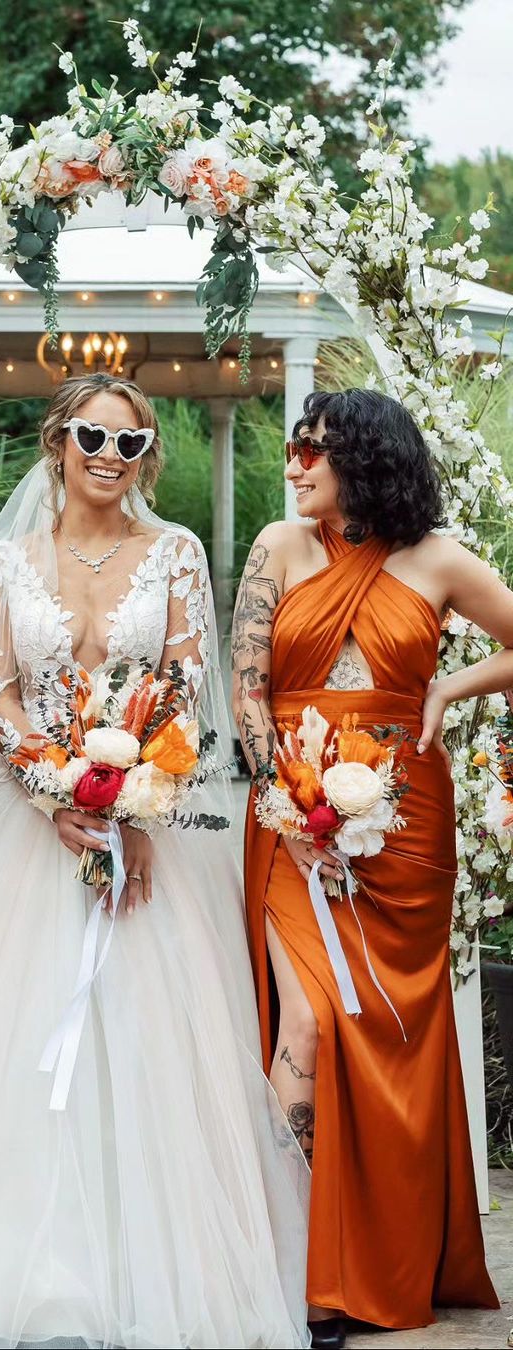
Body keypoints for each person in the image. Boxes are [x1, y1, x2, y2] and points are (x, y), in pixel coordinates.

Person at [0, 372, 310, 1349]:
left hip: (145, 823)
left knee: (152, 1047)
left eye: (130, 443)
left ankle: (150, 1276)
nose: (111, 459)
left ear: (147, 455)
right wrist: (53, 793)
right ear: (57, 441)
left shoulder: (177, 554)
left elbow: (180, 683)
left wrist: (128, 802)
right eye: (93, 437)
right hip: (17, 833)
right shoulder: (4, 563)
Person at [234, 387, 503, 1346]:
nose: (296, 464)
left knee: (387, 1032)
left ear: (368, 460)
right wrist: (287, 796)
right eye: (294, 448)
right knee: (304, 1017)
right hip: (290, 815)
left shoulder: (434, 560)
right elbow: (247, 686)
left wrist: (448, 687)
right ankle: (296, 1260)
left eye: (315, 450)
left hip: (406, 828)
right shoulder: (277, 546)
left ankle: (381, 1258)